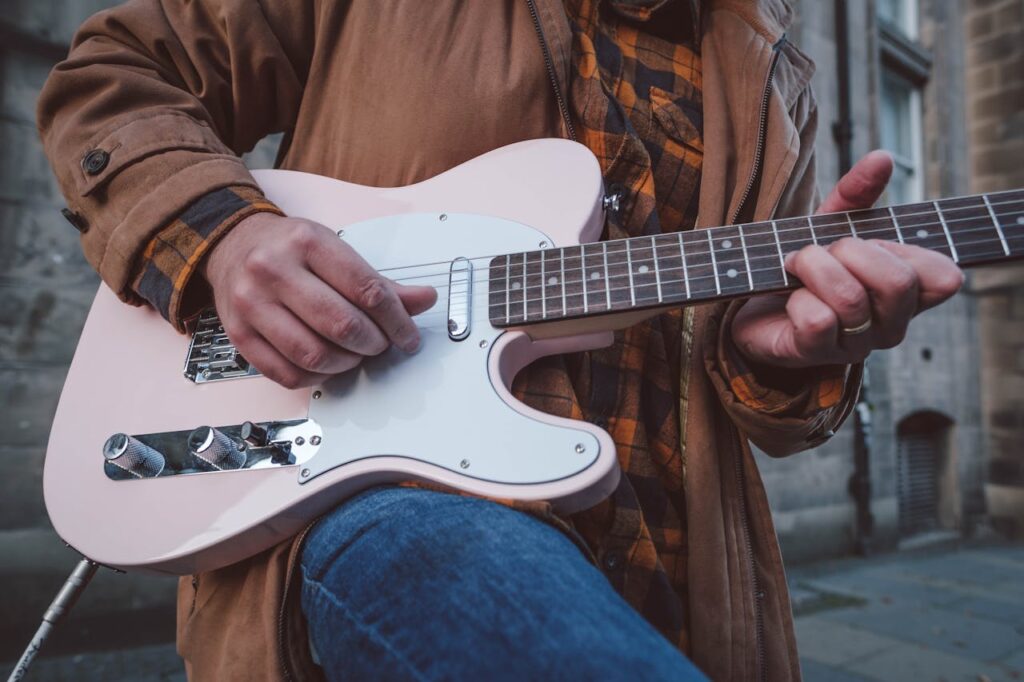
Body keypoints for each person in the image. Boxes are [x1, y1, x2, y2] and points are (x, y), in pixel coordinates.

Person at [37, 0, 963, 679]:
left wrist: (788, 355)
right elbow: (113, 73)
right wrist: (224, 237)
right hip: (367, 496)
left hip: (671, 562)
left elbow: (744, 360)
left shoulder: (770, 75)